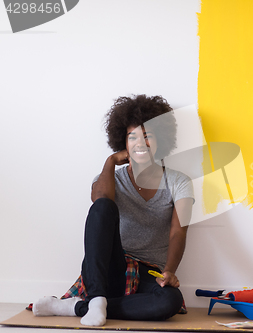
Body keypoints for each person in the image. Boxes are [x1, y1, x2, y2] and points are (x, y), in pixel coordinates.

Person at [32, 95, 194, 326]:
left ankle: (77, 307)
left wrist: (169, 271)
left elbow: (178, 232)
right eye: (132, 136)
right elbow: (100, 204)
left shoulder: (179, 182)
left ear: (161, 141)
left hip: (150, 273)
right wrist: (110, 161)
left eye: (147, 136)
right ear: (123, 142)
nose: (140, 143)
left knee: (170, 302)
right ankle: (97, 299)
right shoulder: (110, 178)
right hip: (109, 269)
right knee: (103, 206)